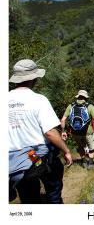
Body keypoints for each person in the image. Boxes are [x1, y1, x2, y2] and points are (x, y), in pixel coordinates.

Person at [9, 59, 73, 204]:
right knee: (53, 187)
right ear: (33, 78)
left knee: (29, 198)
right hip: (35, 157)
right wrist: (66, 150)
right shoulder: (38, 100)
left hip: (14, 162)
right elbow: (50, 132)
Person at [60, 90, 94, 169]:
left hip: (75, 132)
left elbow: (63, 120)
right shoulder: (89, 106)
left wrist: (63, 131)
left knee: (80, 147)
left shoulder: (71, 106)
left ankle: (84, 161)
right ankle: (90, 163)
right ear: (86, 98)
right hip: (88, 132)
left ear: (78, 97)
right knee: (92, 147)